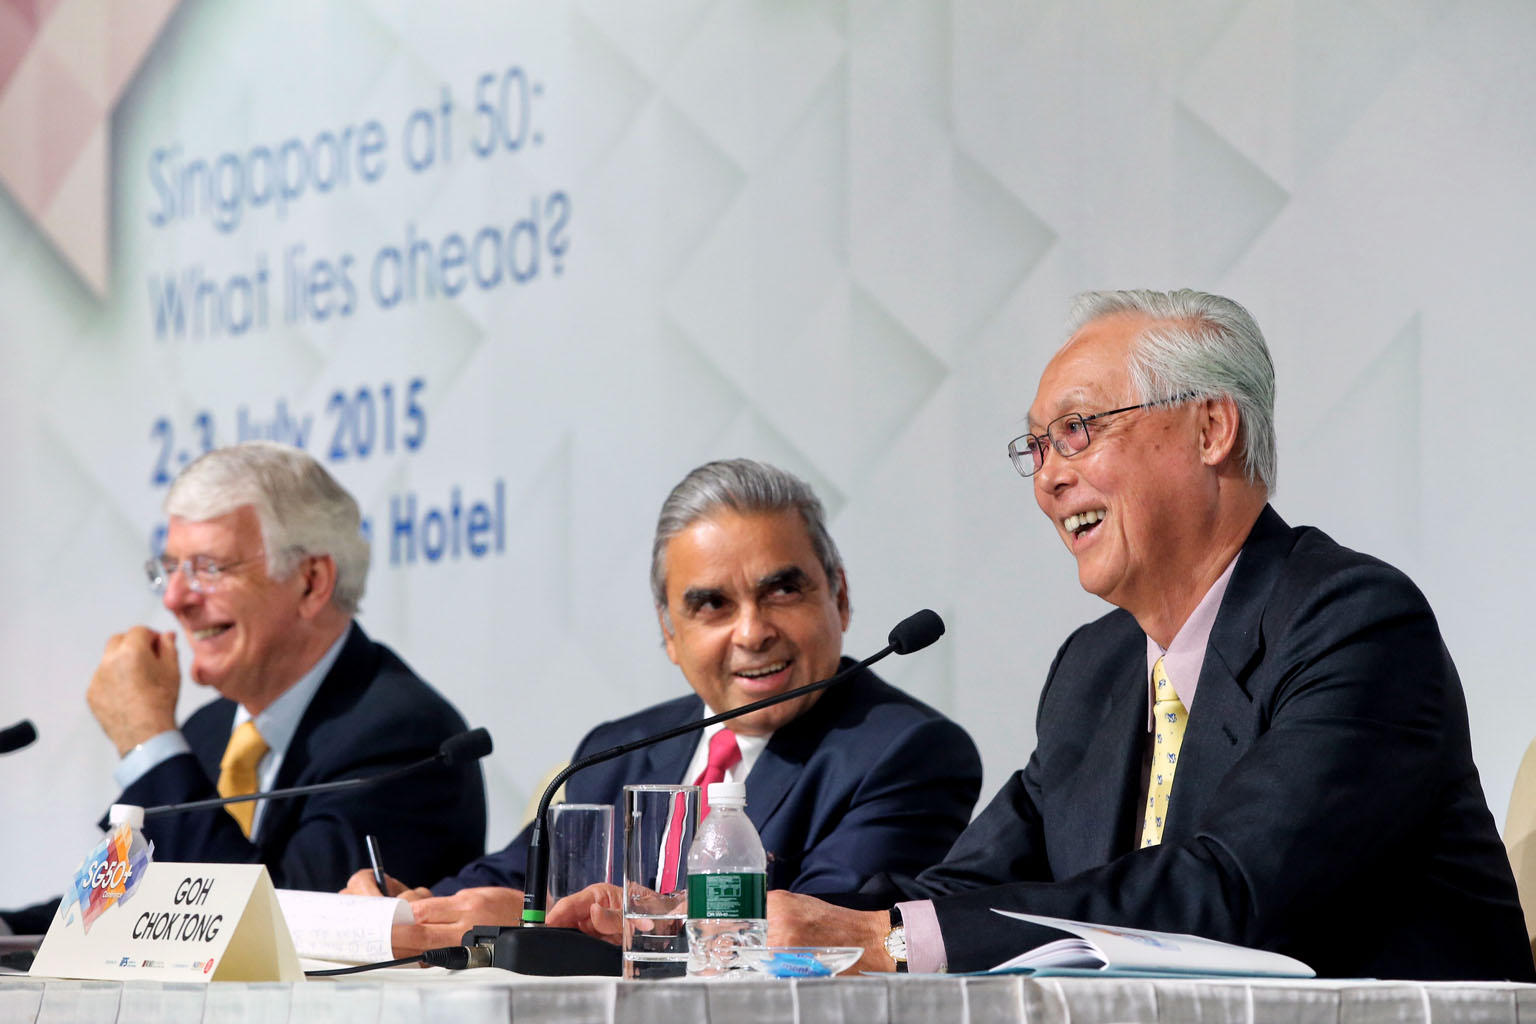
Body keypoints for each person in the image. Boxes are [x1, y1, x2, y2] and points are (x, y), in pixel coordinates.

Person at [768, 289, 1536, 981]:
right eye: (1036, 448)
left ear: (1211, 428)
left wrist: (894, 941)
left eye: (1076, 430)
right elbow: (966, 890)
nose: (1047, 479)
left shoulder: (1354, 621)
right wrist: (765, 925)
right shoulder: (1093, 668)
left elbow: (1230, 893)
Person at [347, 458, 983, 955]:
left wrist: (540, 924)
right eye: (712, 605)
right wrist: (413, 907)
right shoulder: (618, 748)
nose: (752, 631)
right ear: (669, 631)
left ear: (839, 598)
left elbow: (808, 934)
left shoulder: (906, 752)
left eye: (782, 590)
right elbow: (511, 876)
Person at [2, 442, 486, 936]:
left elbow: (264, 932)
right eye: (169, 568)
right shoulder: (208, 733)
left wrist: (149, 743)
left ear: (311, 582)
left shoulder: (403, 735)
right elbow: (118, 910)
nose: (174, 598)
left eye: (209, 568)